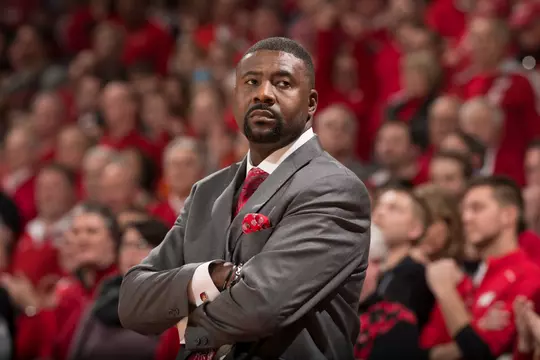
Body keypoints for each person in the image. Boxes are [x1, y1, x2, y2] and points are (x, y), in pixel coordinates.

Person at [118, 37, 371, 360]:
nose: (263, 93)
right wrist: (205, 278)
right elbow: (132, 300)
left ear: (311, 103)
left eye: (282, 83)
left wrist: (182, 320)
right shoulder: (206, 191)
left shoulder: (334, 188)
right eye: (251, 82)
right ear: (236, 97)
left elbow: (262, 304)